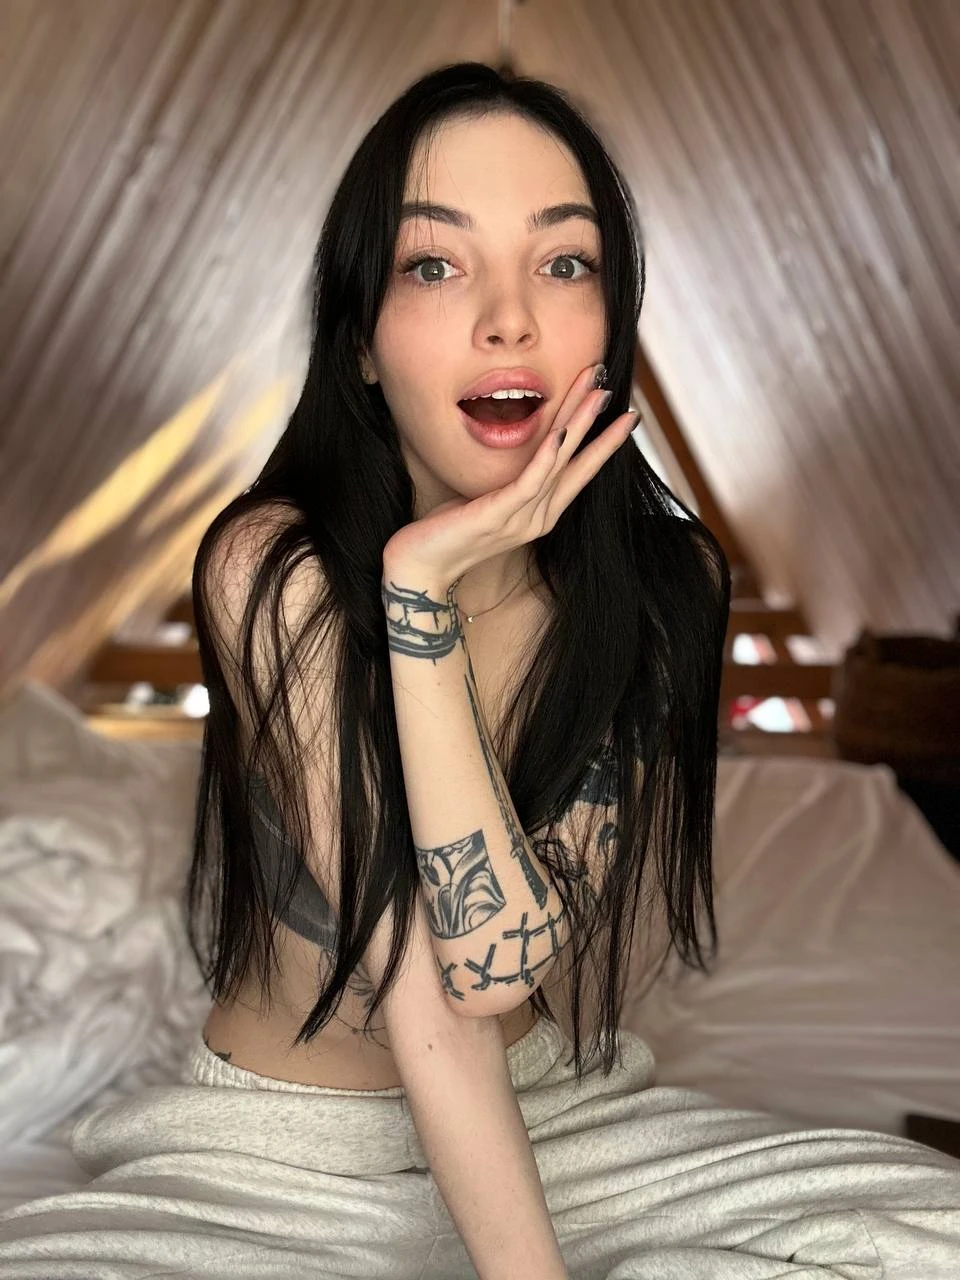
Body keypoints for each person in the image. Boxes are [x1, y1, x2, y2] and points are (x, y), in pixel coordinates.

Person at [1, 59, 959, 1280]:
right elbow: (426, 985)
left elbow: (497, 964)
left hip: (561, 1116)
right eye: (434, 265)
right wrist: (416, 593)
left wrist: (422, 605)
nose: (509, 318)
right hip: (279, 1153)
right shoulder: (273, 566)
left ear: (612, 321)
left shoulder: (662, 588)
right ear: (360, 340)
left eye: (564, 263)